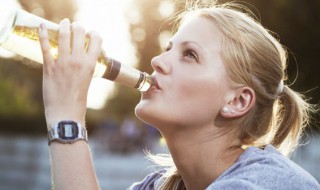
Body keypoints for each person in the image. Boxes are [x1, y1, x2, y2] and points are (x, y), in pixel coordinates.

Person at [38, 1, 320, 190]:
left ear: (237, 101)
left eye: (190, 55)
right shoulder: (157, 186)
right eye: (169, 48)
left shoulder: (263, 184)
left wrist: (66, 117)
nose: (158, 61)